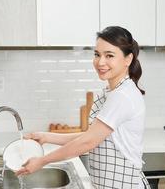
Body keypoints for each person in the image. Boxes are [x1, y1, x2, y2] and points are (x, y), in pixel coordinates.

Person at [16, 26, 150, 189]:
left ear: (127, 59)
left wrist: (43, 161)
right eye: (97, 54)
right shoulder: (113, 91)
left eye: (109, 55)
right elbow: (93, 136)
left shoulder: (122, 96)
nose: (100, 62)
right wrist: (46, 137)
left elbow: (87, 142)